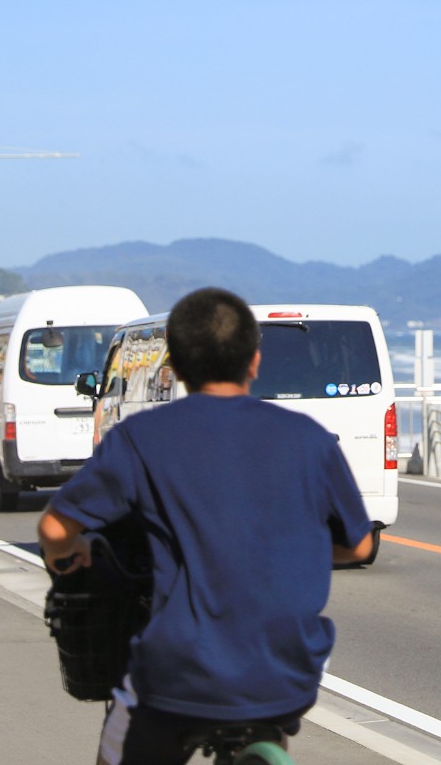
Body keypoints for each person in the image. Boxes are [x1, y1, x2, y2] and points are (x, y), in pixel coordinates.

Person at [37, 287, 374, 765]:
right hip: (289, 671)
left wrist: (71, 553)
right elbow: (359, 547)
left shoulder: (142, 436)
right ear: (255, 362)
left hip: (179, 671)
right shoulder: (309, 438)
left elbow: (55, 529)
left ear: (173, 366)